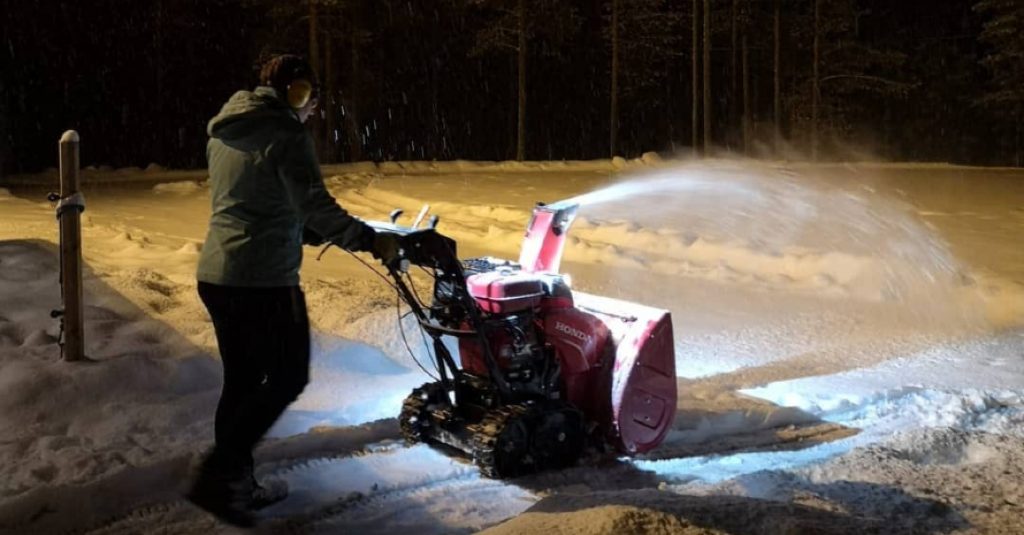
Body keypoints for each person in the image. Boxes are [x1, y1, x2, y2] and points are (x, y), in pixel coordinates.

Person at [188, 54, 389, 526]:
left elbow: (254, 200)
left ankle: (236, 484)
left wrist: (299, 230)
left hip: (217, 275)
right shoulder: (287, 134)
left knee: (241, 380)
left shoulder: (227, 130)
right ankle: (218, 476)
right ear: (292, 92)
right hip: (263, 280)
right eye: (308, 95)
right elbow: (315, 205)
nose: (312, 107)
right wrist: (369, 239)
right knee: (287, 376)